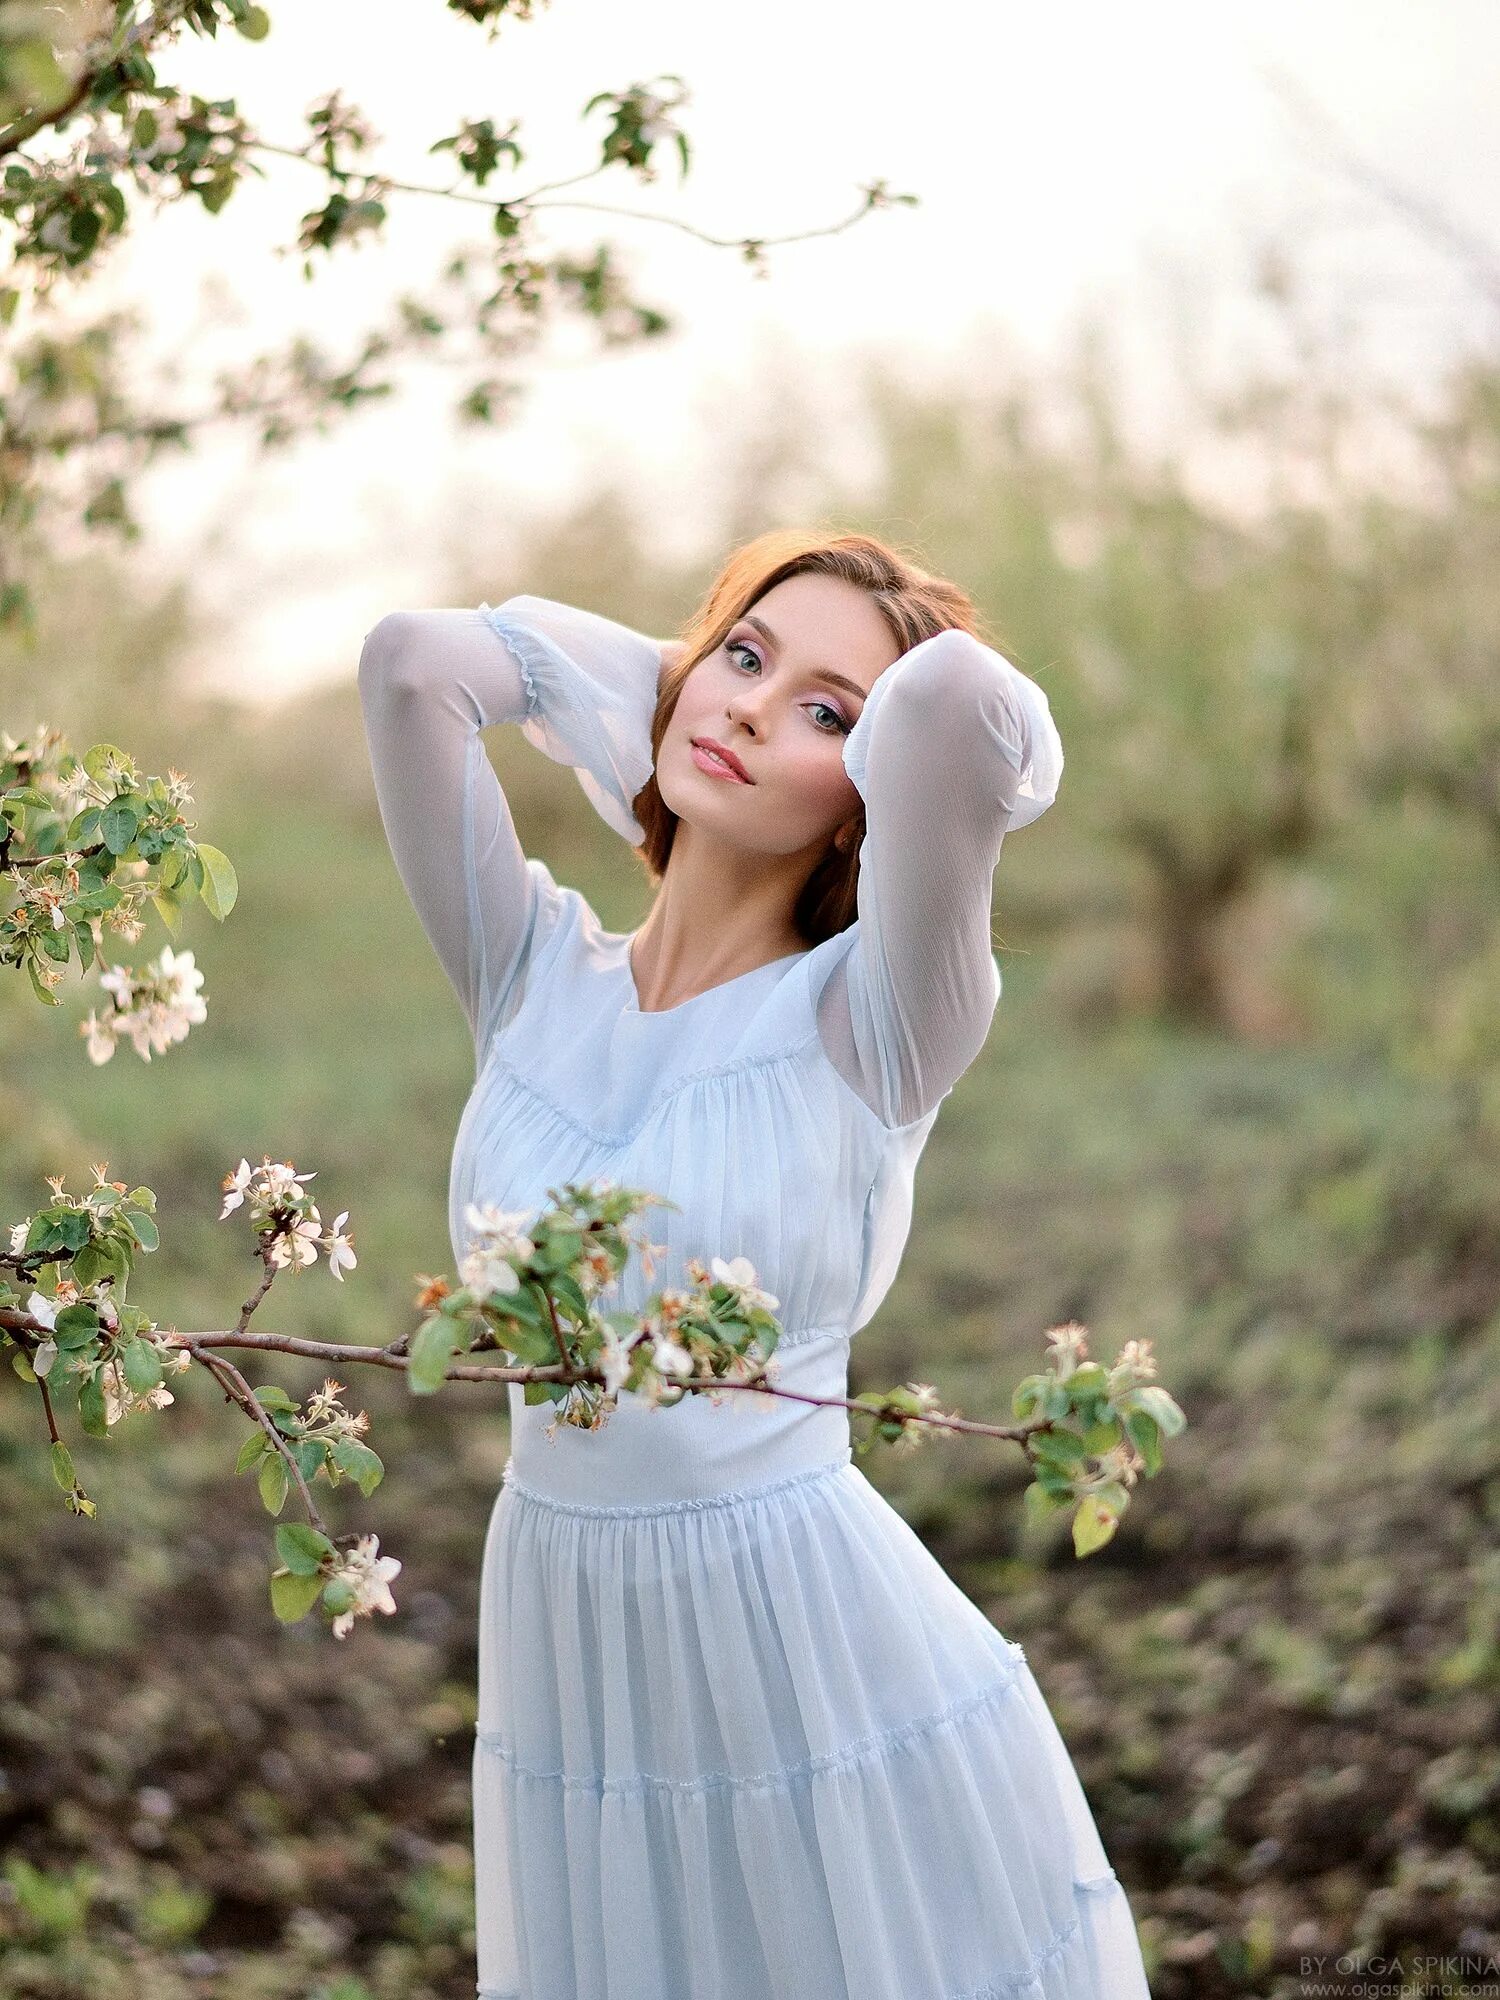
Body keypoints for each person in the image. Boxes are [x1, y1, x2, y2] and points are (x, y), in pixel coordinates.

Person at [357, 527, 1152, 2000]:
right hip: (572, 1640)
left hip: (805, 1646)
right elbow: (413, 668)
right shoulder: (529, 974)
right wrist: (675, 689)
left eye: (828, 713)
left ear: (867, 799)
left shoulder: (880, 1021)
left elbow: (966, 706)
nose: (750, 709)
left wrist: (771, 683)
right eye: (743, 657)